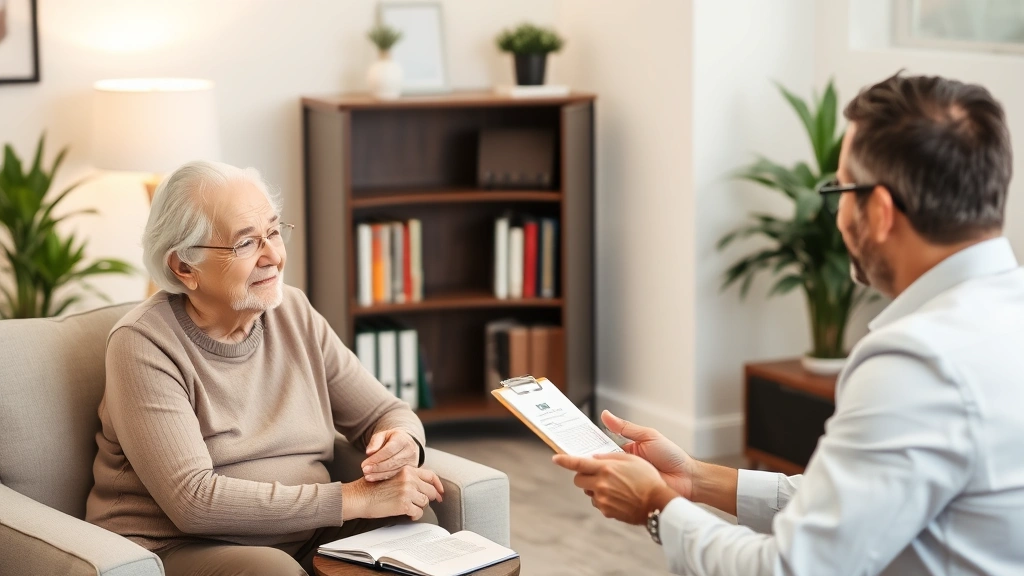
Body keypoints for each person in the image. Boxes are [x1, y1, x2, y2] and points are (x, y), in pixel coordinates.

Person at [554, 73, 1024, 575]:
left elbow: (791, 568)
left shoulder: (918, 362)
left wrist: (656, 509)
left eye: (842, 189)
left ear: (881, 211)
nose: (839, 212)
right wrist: (695, 477)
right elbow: (850, 503)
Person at [86, 161, 443, 576]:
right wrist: (354, 498)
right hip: (182, 544)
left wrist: (402, 442)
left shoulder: (293, 311)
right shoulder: (142, 343)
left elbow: (384, 411)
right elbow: (193, 503)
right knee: (271, 572)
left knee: (413, 526)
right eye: (246, 244)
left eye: (273, 232)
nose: (273, 255)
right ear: (184, 267)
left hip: (304, 531)